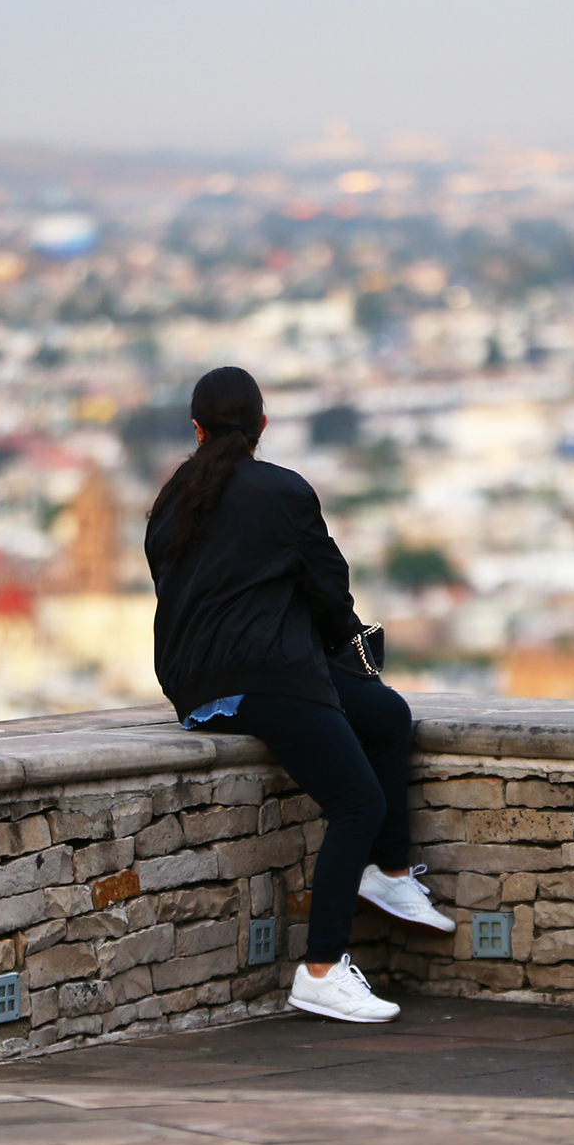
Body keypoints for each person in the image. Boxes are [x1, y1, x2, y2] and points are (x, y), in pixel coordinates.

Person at [145, 365, 454, 1025]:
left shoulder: (170, 501)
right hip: (268, 673)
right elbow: (328, 589)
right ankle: (320, 969)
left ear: (196, 429)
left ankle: (390, 874)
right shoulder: (282, 492)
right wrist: (345, 645)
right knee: (357, 802)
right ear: (262, 426)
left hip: (195, 682)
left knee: (386, 715)